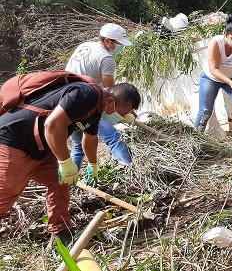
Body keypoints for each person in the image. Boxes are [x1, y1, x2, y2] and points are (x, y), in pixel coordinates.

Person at [0, 79, 141, 243]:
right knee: (6, 191)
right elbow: (52, 124)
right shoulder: (85, 94)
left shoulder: (96, 110)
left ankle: (60, 231)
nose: (120, 117)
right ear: (111, 101)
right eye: (122, 113)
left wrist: (92, 165)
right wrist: (65, 162)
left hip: (40, 148)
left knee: (62, 181)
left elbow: (90, 138)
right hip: (13, 140)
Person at [65, 23, 136, 170]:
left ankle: (68, 183)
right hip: (87, 104)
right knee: (113, 139)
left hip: (67, 101)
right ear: (107, 41)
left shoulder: (86, 45)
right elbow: (111, 94)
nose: (120, 47)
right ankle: (132, 173)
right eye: (118, 43)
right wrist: (123, 114)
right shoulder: (107, 59)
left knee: (78, 147)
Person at [194, 17, 232, 131]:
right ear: (226, 35)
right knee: (205, 111)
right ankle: (195, 138)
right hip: (210, 78)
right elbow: (214, 69)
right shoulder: (216, 42)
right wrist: (231, 83)